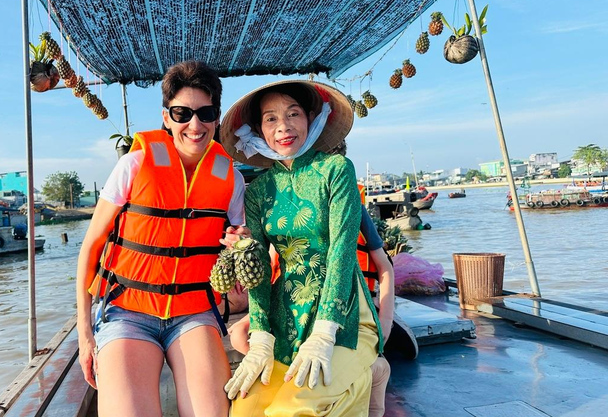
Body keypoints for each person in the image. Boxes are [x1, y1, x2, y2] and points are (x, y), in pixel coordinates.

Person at [75, 60, 247, 417]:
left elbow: (241, 247)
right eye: (182, 113)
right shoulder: (134, 164)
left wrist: (239, 243)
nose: (195, 125)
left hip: (194, 311)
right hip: (127, 311)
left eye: (205, 113)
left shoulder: (231, 179)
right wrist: (84, 335)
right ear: (166, 117)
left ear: (217, 117)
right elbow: (90, 247)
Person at [218, 80, 384, 417]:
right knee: (245, 409)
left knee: (295, 408)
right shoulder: (259, 190)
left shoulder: (336, 170)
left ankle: (369, 372)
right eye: (270, 119)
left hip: (343, 316)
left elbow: (340, 250)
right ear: (259, 129)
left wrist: (325, 333)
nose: (283, 127)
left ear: (311, 117)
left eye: (293, 114)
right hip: (286, 317)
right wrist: (261, 337)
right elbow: (260, 270)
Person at [227, 200, 394, 417]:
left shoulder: (347, 203)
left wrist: (385, 323)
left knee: (296, 407)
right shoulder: (276, 211)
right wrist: (246, 247)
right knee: (239, 335)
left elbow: (384, 266)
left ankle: (368, 372)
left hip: (346, 308)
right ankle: (289, 378)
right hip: (294, 308)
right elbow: (271, 271)